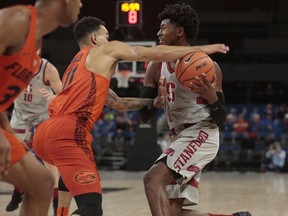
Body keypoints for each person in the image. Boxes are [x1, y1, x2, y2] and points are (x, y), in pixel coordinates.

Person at [32, 16, 229, 216]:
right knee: (92, 208)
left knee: (69, 173)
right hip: (68, 132)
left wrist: (154, 103)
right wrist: (202, 49)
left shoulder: (76, 66)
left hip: (44, 134)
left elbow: (118, 103)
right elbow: (143, 52)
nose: (109, 41)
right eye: (106, 36)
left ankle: (61, 212)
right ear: (94, 39)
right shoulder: (104, 50)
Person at [139, 4, 251, 216]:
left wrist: (212, 99)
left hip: (202, 132)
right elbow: (144, 117)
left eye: (163, 28)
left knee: (152, 179)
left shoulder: (208, 67)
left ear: (179, 31)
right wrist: (156, 103)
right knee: (171, 212)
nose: (158, 32)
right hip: (178, 137)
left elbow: (221, 119)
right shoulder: (155, 67)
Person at [0, 0, 82, 215]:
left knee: (42, 183)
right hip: (19, 119)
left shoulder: (37, 52)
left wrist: (5, 130)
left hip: (18, 121)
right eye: (78, 0)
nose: (81, 4)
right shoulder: (16, 20)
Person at [6, 57, 62, 215]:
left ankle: (56, 200)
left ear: (38, 50)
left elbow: (65, 94)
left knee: (47, 157)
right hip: (20, 112)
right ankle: (18, 192)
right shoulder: (12, 66)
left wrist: (54, 98)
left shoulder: (48, 69)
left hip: (43, 113)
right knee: (15, 155)